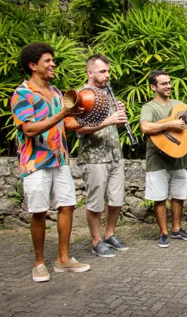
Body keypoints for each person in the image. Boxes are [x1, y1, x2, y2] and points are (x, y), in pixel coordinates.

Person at [10, 42, 91, 282]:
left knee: (67, 206)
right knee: (39, 211)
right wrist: (61, 115)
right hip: (35, 161)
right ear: (33, 66)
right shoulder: (22, 94)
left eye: (52, 60)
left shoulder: (57, 93)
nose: (53, 63)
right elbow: (29, 129)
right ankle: (39, 262)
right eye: (47, 60)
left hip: (59, 158)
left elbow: (66, 124)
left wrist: (94, 119)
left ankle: (63, 260)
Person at [140, 70, 187, 248]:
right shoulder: (150, 107)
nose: (168, 86)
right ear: (153, 87)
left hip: (179, 156)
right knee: (159, 197)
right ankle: (163, 232)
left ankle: (176, 229)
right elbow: (145, 127)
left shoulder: (180, 105)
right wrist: (170, 124)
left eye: (169, 82)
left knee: (179, 196)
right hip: (157, 158)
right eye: (164, 83)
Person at [76, 55, 129, 258]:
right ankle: (96, 241)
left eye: (108, 71)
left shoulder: (109, 93)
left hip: (115, 153)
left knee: (116, 199)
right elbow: (78, 129)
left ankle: (110, 234)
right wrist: (108, 120)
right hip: (94, 156)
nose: (107, 75)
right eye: (102, 71)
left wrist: (119, 117)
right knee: (95, 202)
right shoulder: (82, 95)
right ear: (90, 72)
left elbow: (113, 124)